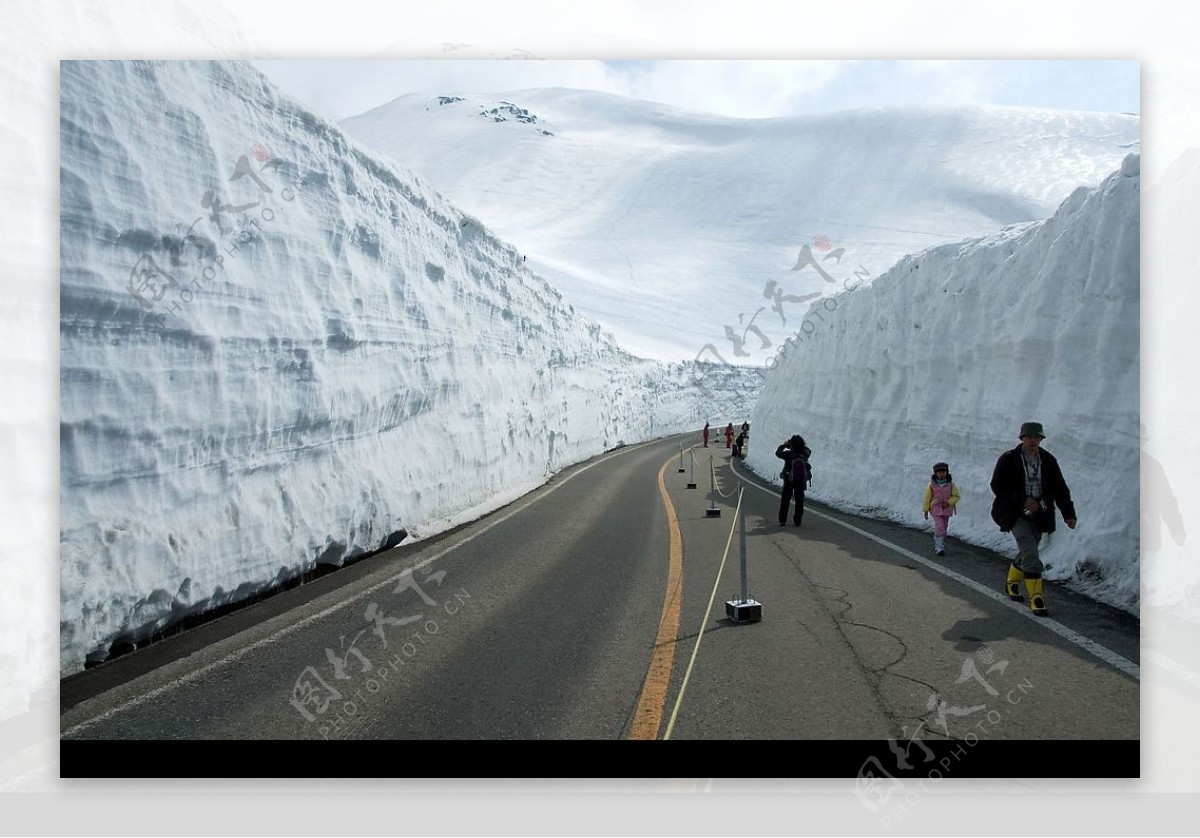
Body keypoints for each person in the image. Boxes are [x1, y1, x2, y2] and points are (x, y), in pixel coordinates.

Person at [989, 421, 1077, 616]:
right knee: (1030, 553)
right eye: (1029, 437)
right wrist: (1023, 500)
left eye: (1036, 437)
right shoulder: (1009, 459)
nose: (1032, 440)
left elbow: (1060, 488)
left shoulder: (1048, 460)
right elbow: (997, 485)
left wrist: (1068, 514)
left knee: (1029, 550)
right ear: (1022, 438)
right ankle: (1036, 599)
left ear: (1041, 439)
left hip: (1039, 514)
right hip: (1014, 513)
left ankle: (1012, 582)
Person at [922, 462, 960, 556]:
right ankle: (939, 547)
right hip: (936, 508)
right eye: (939, 472)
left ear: (947, 472)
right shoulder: (931, 485)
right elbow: (927, 498)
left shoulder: (951, 484)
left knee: (944, 527)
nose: (941, 474)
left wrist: (949, 502)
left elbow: (956, 496)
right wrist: (926, 510)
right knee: (940, 527)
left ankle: (939, 542)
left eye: (943, 472)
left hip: (947, 509)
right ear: (935, 473)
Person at [775, 435, 811, 526]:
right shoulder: (805, 453)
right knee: (799, 500)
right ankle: (797, 521)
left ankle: (782, 520)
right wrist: (801, 445)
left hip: (789, 479)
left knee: (785, 500)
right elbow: (809, 450)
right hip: (800, 479)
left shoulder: (788, 454)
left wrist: (784, 445)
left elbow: (778, 453)